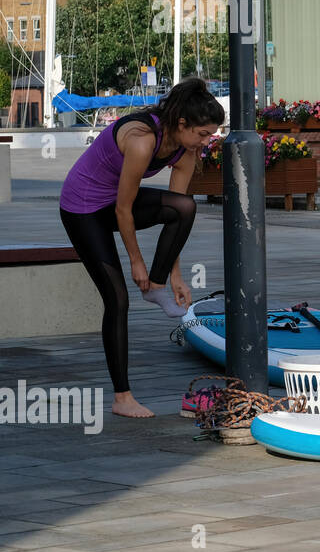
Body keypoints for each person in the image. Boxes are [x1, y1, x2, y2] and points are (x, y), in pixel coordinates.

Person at [59, 78, 225, 418]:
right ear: (182, 124)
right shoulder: (141, 140)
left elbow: (176, 215)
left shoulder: (185, 149)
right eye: (203, 134)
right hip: (83, 208)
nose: (207, 141)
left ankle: (158, 288)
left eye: (211, 134)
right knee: (117, 298)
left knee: (184, 207)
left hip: (116, 204)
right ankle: (123, 398)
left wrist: (173, 276)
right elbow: (123, 209)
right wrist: (136, 262)